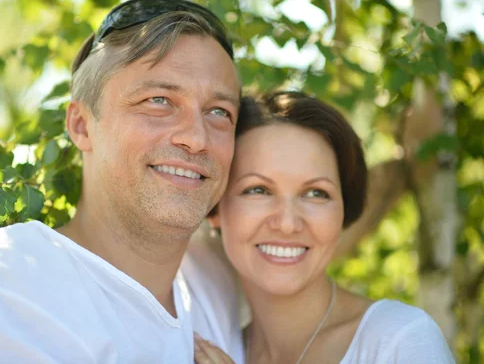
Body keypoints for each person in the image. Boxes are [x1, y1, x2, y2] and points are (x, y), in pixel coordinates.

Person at [0, 0, 244, 363]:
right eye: (158, 100)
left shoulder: (218, 286)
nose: (197, 137)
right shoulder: (10, 281)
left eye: (219, 111)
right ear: (81, 125)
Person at [193, 92, 454, 364]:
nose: (287, 223)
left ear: (344, 211)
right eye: (258, 190)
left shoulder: (398, 341)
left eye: (316, 193)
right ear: (215, 208)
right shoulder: (201, 348)